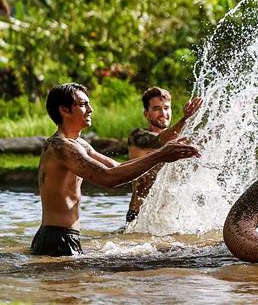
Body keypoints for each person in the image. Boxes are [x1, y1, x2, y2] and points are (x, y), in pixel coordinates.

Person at [33, 83, 200, 256]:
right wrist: (160, 155)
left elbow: (117, 167)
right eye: (83, 105)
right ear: (64, 110)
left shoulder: (80, 144)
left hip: (65, 236)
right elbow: (108, 178)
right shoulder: (60, 146)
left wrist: (162, 155)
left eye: (89, 104)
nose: (90, 109)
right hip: (56, 238)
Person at [126, 87, 202, 223]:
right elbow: (159, 140)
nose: (163, 113)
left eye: (166, 108)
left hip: (169, 218)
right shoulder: (138, 136)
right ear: (146, 114)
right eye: (156, 109)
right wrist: (185, 118)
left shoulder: (179, 141)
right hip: (140, 216)